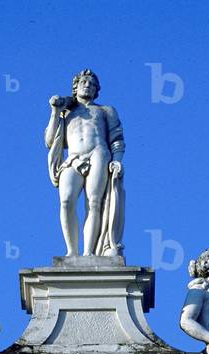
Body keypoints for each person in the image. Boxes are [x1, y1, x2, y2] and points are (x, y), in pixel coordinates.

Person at [44, 69, 125, 257]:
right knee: (66, 201)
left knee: (94, 202)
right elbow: (49, 141)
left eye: (92, 84)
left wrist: (117, 160)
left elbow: (117, 139)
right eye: (84, 82)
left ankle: (89, 253)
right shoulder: (65, 113)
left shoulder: (105, 111)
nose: (88, 85)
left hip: (98, 154)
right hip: (73, 158)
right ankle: (71, 252)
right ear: (76, 87)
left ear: (96, 90)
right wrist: (55, 111)